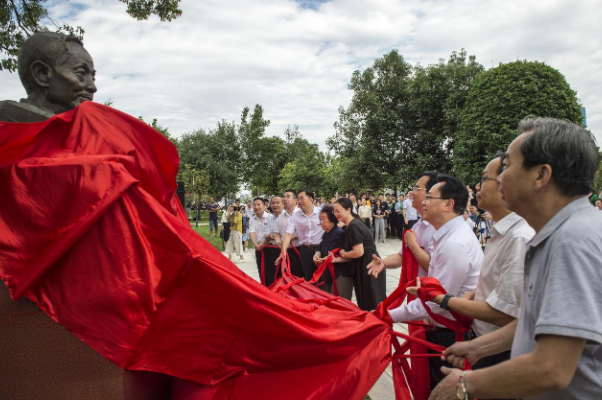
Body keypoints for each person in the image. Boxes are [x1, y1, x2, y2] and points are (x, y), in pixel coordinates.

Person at [431, 117, 602, 400]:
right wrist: (479, 348)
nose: (499, 179)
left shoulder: (572, 241)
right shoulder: (559, 233)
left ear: (541, 175)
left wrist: (466, 384)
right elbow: (540, 325)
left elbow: (552, 368)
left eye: (507, 166)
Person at [409, 155, 534, 373]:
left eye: (486, 179)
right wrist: (472, 294)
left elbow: (506, 314)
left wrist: (444, 300)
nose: (477, 186)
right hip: (483, 341)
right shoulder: (501, 232)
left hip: (498, 350)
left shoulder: (518, 238)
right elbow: (498, 287)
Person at [388, 175, 483, 389]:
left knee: (443, 390)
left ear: (449, 204)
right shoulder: (444, 235)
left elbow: (435, 302)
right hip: (442, 328)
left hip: (450, 333)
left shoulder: (454, 244)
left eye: (430, 197)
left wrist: (388, 315)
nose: (424, 202)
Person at [0, 32, 97, 123]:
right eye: (81, 73)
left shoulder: (83, 132)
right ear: (42, 74)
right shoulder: (6, 119)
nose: (93, 87)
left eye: (93, 78)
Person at [367, 171, 440, 279]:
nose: (412, 193)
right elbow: (402, 256)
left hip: (434, 293)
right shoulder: (418, 225)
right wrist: (383, 262)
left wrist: (412, 244)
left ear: (431, 193)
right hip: (417, 292)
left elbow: (434, 268)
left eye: (417, 189)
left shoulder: (438, 227)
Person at [333, 198, 386, 311]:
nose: (336, 214)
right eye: (334, 211)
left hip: (369, 265)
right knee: (366, 300)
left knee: (372, 301)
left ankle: (377, 326)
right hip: (364, 263)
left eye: (338, 211)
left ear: (348, 210)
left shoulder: (353, 226)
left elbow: (358, 252)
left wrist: (344, 253)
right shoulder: (351, 225)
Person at [279, 189, 324, 281]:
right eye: (298, 199)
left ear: (311, 199)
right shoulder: (295, 215)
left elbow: (335, 225)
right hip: (305, 251)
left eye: (302, 198)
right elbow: (288, 234)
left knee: (322, 279)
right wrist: (283, 251)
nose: (299, 202)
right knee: (308, 279)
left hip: (321, 250)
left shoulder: (322, 213)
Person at [313, 205, 349, 298]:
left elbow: (333, 253)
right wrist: (317, 255)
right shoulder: (326, 232)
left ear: (332, 220)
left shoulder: (338, 233)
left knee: (338, 300)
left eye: (324, 219)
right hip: (328, 271)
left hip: (339, 272)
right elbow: (319, 248)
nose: (321, 222)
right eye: (320, 219)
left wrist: (321, 259)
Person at [274, 189, 303, 278]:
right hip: (284, 251)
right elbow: (277, 233)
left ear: (295, 200)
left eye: (288, 197)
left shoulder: (301, 214)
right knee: (285, 276)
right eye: (284, 197)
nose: (285, 199)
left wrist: (295, 237)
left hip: (299, 250)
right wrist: (278, 241)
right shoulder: (281, 216)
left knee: (298, 276)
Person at [249, 197, 274, 284]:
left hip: (270, 248)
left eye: (259, 204)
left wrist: (262, 244)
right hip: (258, 248)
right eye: (254, 205)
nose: (256, 207)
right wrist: (255, 244)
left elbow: (271, 234)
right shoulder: (252, 219)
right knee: (261, 271)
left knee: (271, 272)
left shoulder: (271, 218)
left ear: (264, 206)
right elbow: (251, 232)